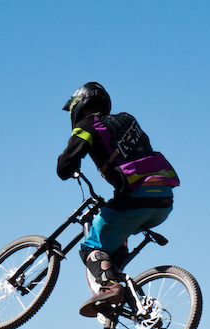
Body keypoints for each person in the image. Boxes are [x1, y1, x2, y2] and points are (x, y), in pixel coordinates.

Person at [56, 82, 180, 317]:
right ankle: (124, 290)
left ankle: (111, 286)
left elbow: (66, 165)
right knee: (116, 234)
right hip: (164, 200)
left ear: (79, 105)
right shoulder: (128, 120)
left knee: (90, 246)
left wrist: (64, 164)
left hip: (137, 200)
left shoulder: (88, 125)